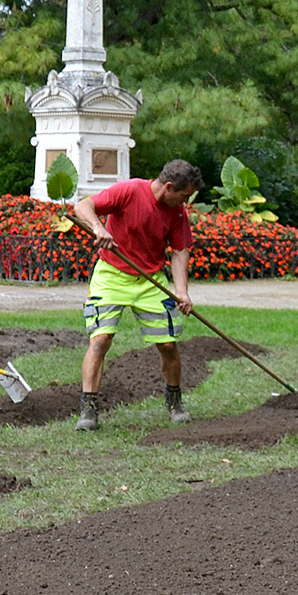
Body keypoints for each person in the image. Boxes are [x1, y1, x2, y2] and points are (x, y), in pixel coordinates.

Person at [71, 160, 200, 430]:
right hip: (111, 275)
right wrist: (98, 227)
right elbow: (83, 206)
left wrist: (181, 291)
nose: (185, 202)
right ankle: (89, 409)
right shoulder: (129, 191)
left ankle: (174, 401)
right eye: (184, 195)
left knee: (168, 344)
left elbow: (179, 250)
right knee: (100, 341)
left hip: (150, 280)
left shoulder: (177, 213)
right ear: (168, 187)